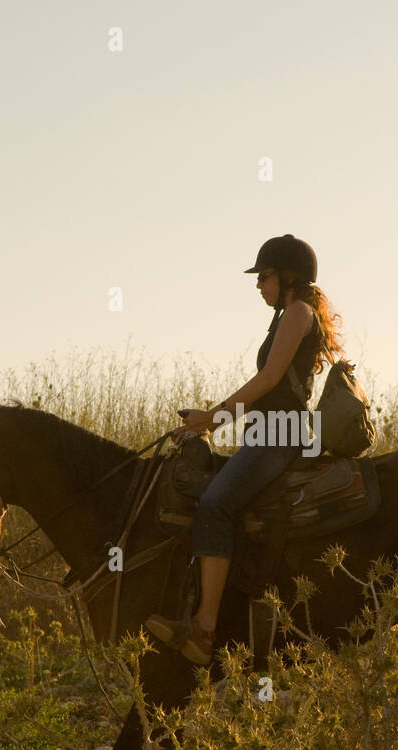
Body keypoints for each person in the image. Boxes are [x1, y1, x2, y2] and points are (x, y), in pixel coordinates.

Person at [145, 234, 346, 665]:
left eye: (266, 276)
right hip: (266, 432)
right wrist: (208, 421)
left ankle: (204, 628)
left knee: (216, 503)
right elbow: (265, 390)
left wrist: (213, 419)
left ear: (290, 277)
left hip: (281, 436)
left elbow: (270, 380)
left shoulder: (297, 312)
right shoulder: (284, 316)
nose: (259, 285)